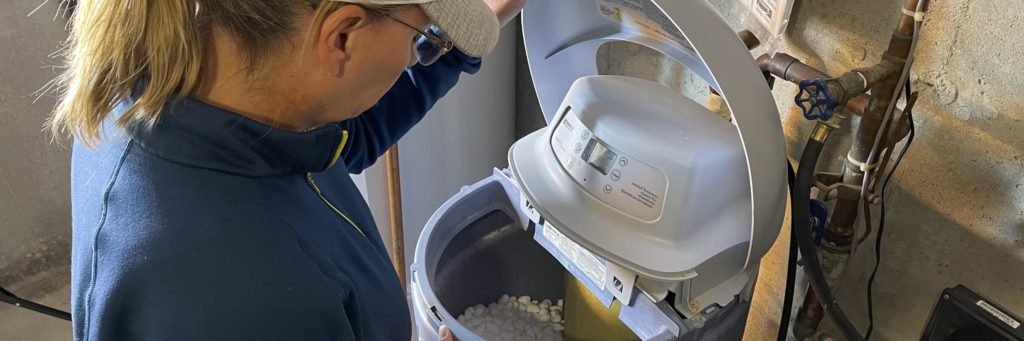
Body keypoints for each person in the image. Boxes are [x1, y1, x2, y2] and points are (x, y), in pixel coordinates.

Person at [51, 0, 525, 339]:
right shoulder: (246, 303)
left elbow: (338, 145)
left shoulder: (158, 86)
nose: (413, 55)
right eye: (418, 38)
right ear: (340, 37)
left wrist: (455, 45)